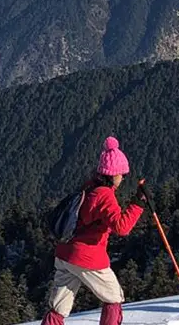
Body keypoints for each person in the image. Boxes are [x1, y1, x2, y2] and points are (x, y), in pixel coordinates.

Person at [40, 137, 145, 325]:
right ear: (113, 174)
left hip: (65, 253)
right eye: (122, 174)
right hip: (87, 257)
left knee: (58, 307)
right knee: (113, 298)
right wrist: (138, 203)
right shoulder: (105, 195)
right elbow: (122, 227)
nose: (123, 178)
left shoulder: (89, 186)